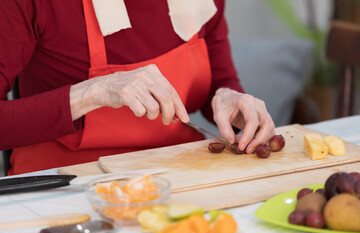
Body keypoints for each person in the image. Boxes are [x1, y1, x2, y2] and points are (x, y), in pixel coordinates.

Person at [0, 0, 275, 175]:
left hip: (180, 173)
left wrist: (230, 97)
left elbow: (219, 79)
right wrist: (92, 92)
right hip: (65, 181)